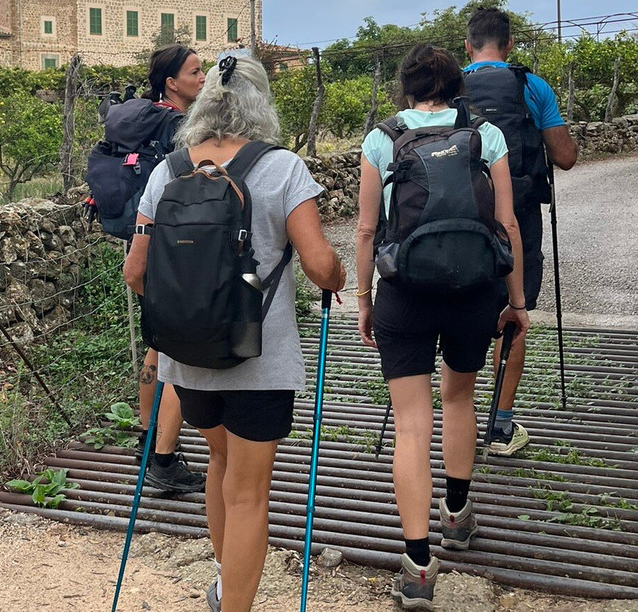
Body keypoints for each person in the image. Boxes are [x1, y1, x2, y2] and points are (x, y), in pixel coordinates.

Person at [125, 53, 345, 612]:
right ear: (260, 103)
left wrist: (194, 305)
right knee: (249, 494)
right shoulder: (281, 167)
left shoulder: (170, 169)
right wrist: (339, 273)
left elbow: (135, 272)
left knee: (220, 467)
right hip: (258, 358)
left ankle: (225, 583)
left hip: (188, 361)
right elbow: (321, 266)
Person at [356, 44, 530, 610]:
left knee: (411, 423)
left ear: (405, 87)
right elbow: (505, 221)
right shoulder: (486, 136)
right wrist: (517, 300)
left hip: (403, 293)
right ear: (457, 86)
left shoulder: (383, 138)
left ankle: (417, 566)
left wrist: (363, 298)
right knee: (459, 398)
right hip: (475, 289)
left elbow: (364, 230)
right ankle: (456, 513)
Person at [464, 7, 578, 456]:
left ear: (467, 47)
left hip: (459, 218)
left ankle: (461, 413)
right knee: (513, 319)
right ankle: (501, 426)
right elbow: (565, 157)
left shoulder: (447, 88)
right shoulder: (531, 86)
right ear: (509, 45)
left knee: (466, 310)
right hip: (520, 219)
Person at [134, 44, 209, 494]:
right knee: (179, 351)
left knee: (157, 345)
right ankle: (162, 458)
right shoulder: (182, 127)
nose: (202, 79)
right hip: (175, 248)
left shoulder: (144, 119)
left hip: (142, 241)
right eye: (195, 72)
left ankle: (149, 439)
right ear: (171, 82)